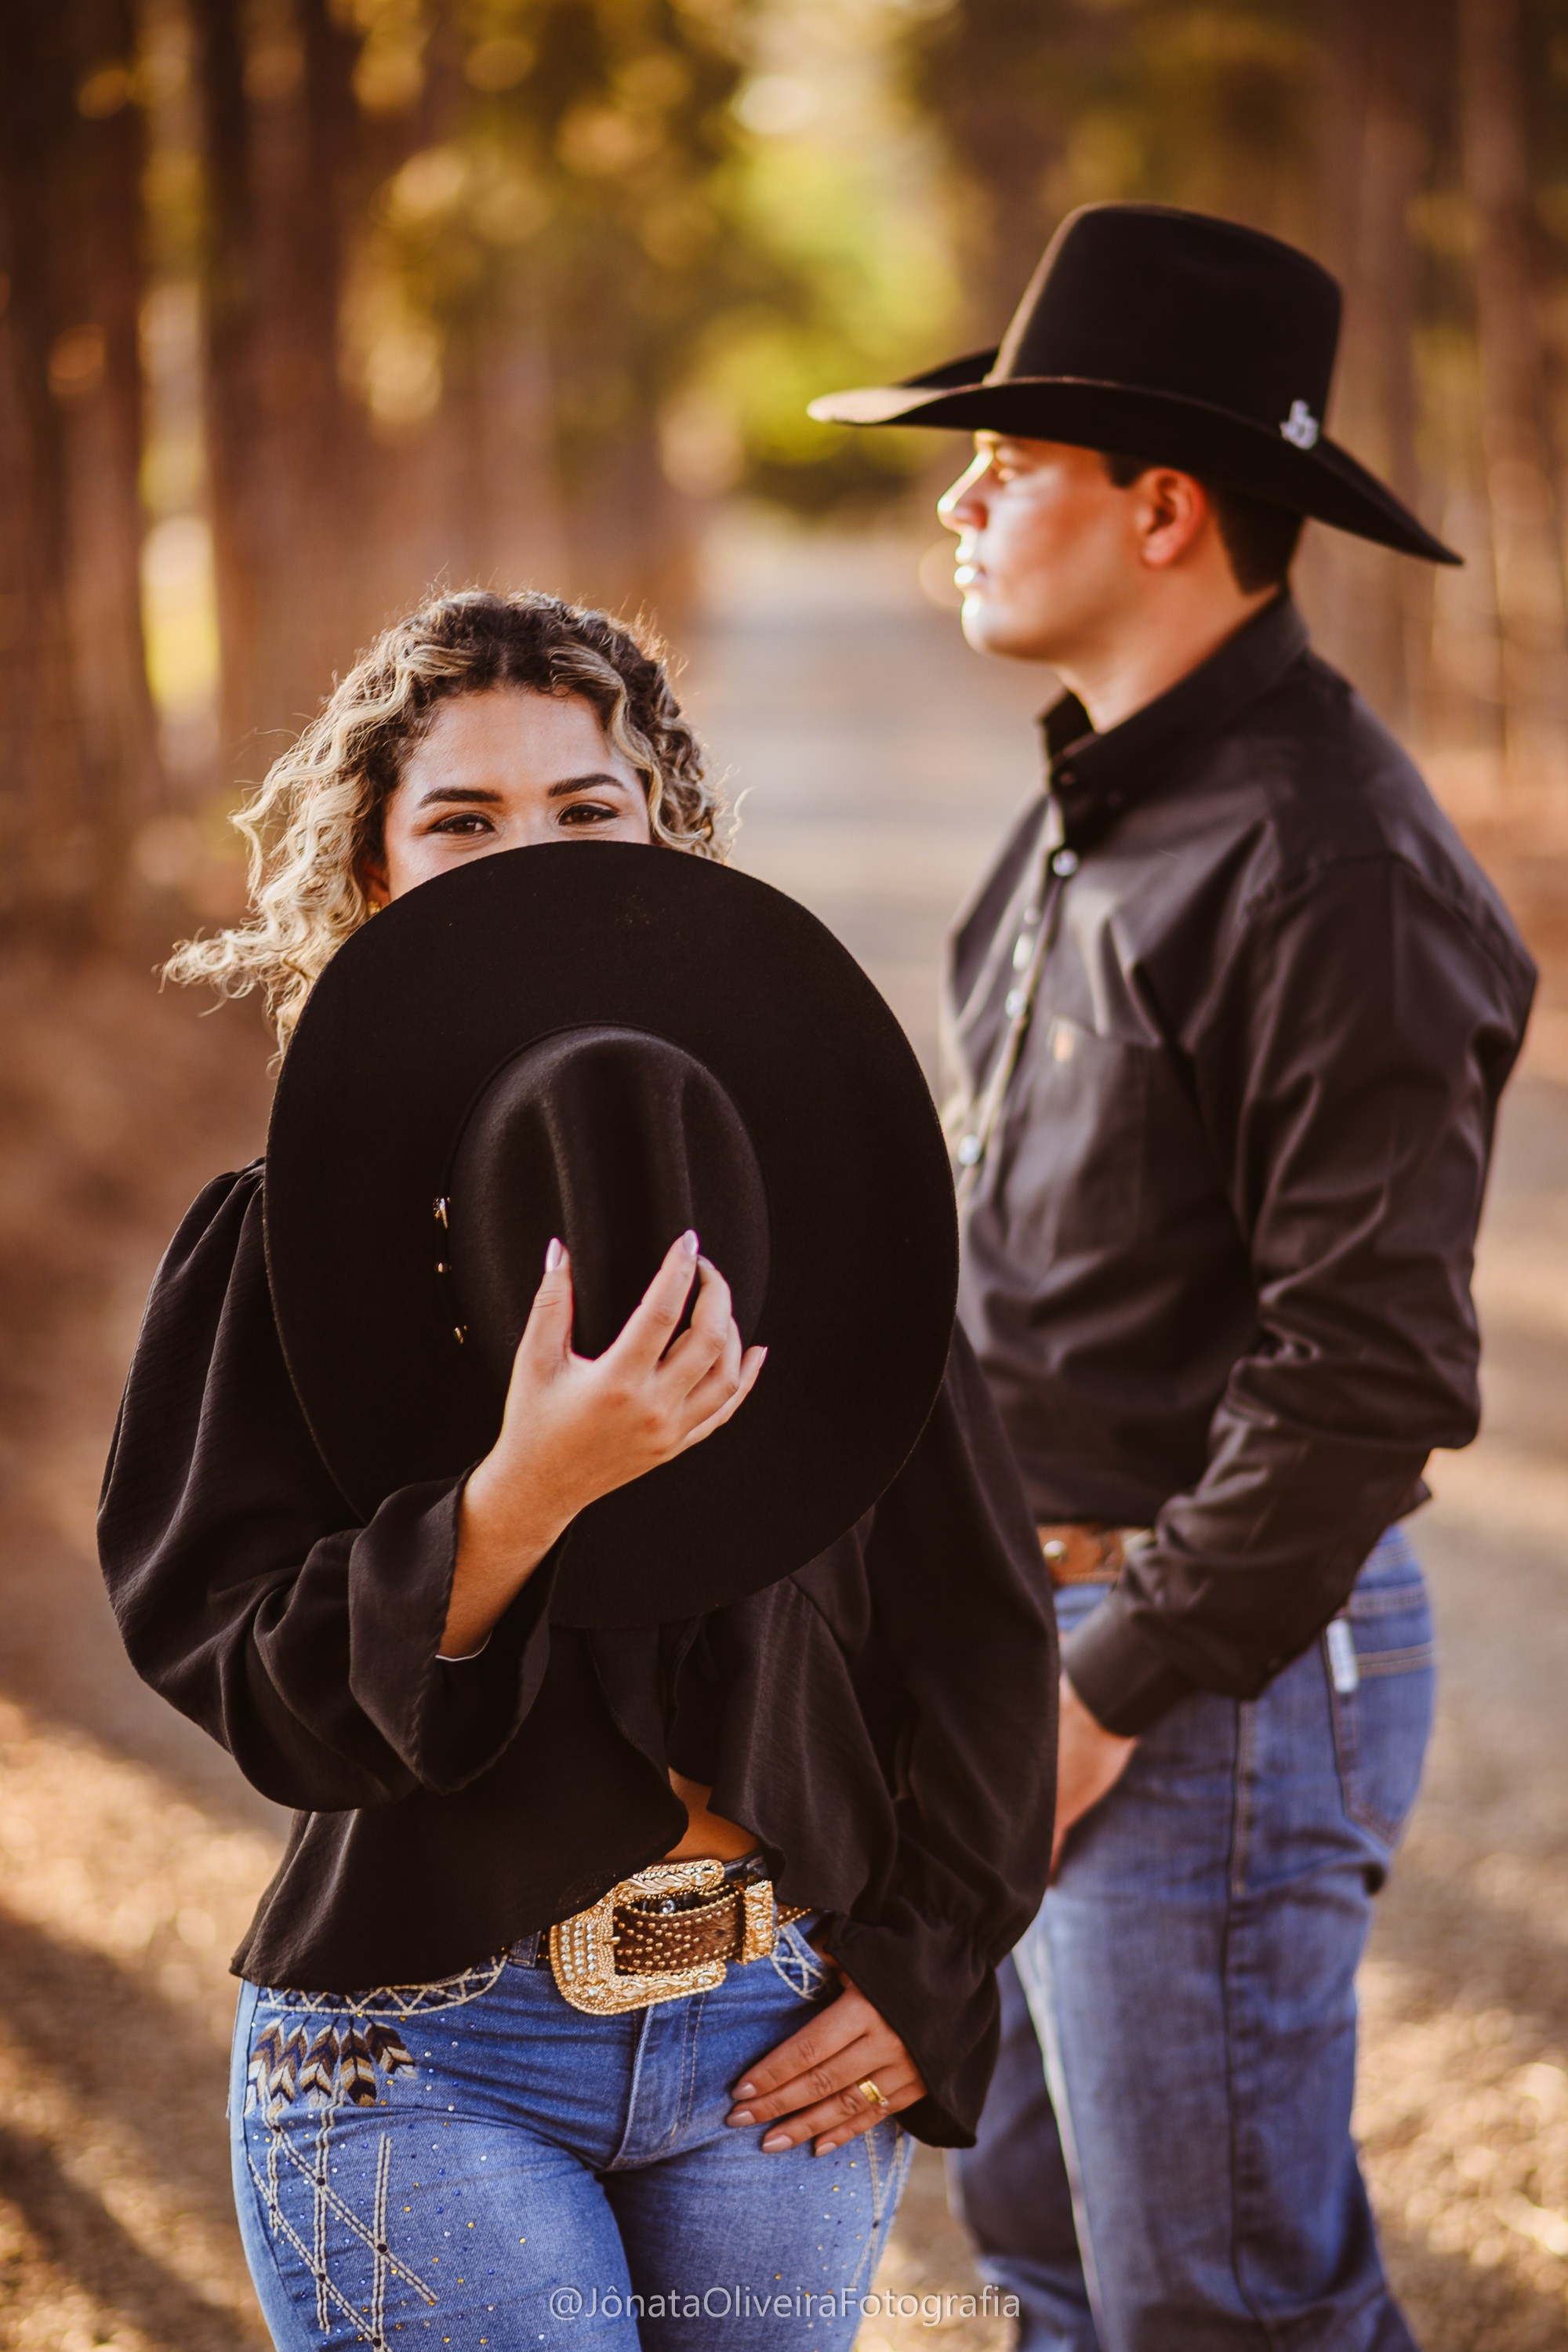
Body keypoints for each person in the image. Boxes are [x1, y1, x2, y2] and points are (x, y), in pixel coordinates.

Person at [97, 589, 1058, 2352]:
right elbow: (251, 1678)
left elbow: (979, 1631)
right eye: (461, 819)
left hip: (770, 2043)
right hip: (424, 2060)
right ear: (377, 877)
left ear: (662, 841)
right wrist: (516, 1496)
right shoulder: (277, 1251)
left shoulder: (829, 1232)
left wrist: (934, 1969)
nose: (526, 851)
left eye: (583, 808)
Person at [809, 203, 1537, 2350]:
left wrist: (1099, 1703)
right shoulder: (1090, 813)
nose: (958, 498)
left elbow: (1367, 1374)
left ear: (1163, 506)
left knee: (1222, 2312)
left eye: (1007, 462)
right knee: (1046, 2260)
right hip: (1036, 1639)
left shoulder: (1335, 864)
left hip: (1193, 1678)